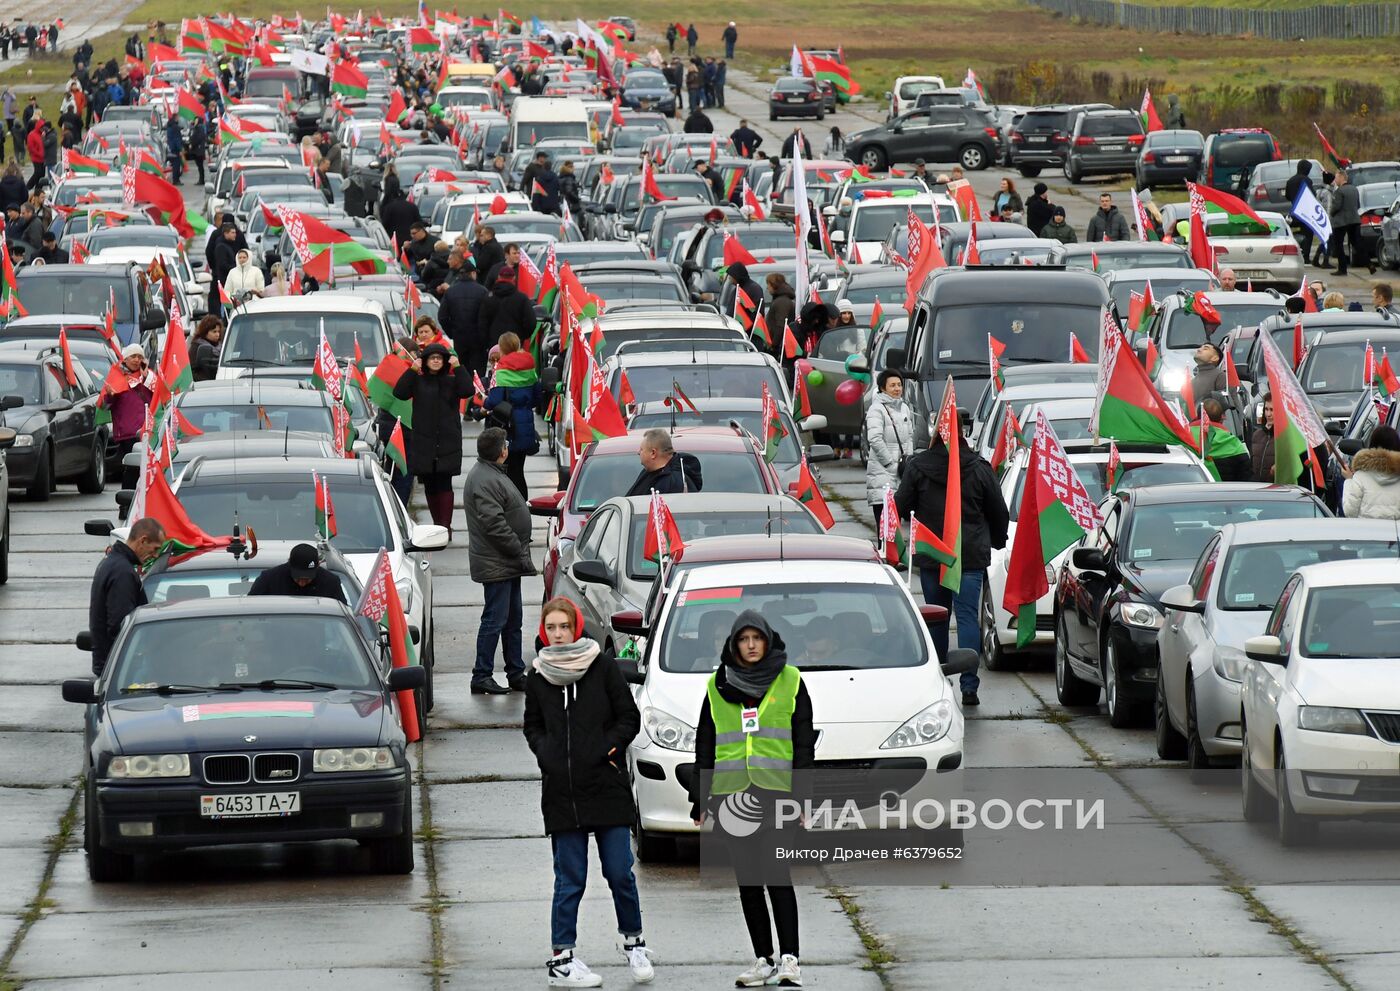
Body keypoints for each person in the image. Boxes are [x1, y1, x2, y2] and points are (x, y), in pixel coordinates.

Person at [523, 597, 654, 988]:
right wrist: (547, 755)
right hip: (563, 794)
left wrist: (607, 748)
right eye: (552, 628)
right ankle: (562, 959)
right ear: (544, 632)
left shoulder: (602, 667)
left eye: (564, 626)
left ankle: (635, 944)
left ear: (576, 627)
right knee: (570, 878)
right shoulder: (537, 676)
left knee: (619, 872)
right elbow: (533, 726)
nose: (559, 634)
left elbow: (628, 717)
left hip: (606, 788)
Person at [689, 612, 814, 990]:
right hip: (732, 797)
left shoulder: (791, 681)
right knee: (747, 881)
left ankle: (790, 959)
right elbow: (705, 746)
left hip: (777, 794)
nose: (751, 645)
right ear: (734, 645)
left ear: (768, 640)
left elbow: (804, 745)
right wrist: (701, 799)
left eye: (757, 637)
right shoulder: (717, 685)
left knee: (777, 874)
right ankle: (763, 959)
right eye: (743, 639)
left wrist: (804, 799)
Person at [895, 408, 1008, 706]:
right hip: (968, 555)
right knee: (968, 617)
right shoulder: (980, 467)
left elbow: (901, 506)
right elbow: (999, 512)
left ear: (935, 429)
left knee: (937, 617)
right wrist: (995, 542)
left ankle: (938, 681)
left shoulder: (919, 466)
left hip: (934, 555)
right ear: (962, 431)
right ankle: (969, 686)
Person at [462, 427, 534, 695]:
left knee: (513, 620)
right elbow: (493, 523)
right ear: (500, 450)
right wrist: (516, 547)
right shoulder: (484, 478)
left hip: (506, 562)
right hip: (498, 562)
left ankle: (515, 671)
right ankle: (481, 674)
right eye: (506, 444)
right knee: (495, 620)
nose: (508, 448)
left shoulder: (492, 473)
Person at [392, 342, 473, 531]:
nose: (436, 361)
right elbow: (400, 392)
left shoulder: (452, 381)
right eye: (432, 358)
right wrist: (412, 370)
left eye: (439, 358)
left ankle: (445, 526)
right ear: (425, 361)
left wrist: (459, 367)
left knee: (445, 483)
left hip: (447, 439)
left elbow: (468, 390)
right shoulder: (418, 381)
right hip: (424, 440)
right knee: (429, 483)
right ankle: (437, 524)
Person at [88, 517, 165, 676]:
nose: (156, 555)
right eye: (155, 549)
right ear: (143, 541)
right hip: (120, 668)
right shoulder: (123, 573)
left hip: (110, 664)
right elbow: (121, 625)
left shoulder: (110, 563)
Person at [485, 332, 543, 498]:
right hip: (525, 422)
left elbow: (494, 400)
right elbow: (537, 397)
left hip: (507, 426)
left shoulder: (501, 371)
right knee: (519, 470)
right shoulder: (529, 368)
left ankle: (511, 507)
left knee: (506, 471)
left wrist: (484, 403)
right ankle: (523, 505)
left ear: (502, 349)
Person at [866, 369, 913, 528]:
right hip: (882, 474)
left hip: (900, 473)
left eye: (899, 385)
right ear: (882, 388)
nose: (897, 388)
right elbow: (874, 439)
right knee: (884, 528)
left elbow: (910, 436)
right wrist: (890, 464)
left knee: (896, 528)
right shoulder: (876, 409)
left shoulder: (905, 408)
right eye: (892, 385)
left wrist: (908, 462)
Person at [109, 345, 156, 489]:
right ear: (126, 358)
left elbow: (159, 395)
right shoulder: (116, 375)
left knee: (147, 469)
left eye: (140, 357)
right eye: (133, 356)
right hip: (128, 432)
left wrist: (146, 376)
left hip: (147, 430)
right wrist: (110, 396)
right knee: (132, 469)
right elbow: (106, 405)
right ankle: (127, 505)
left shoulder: (149, 376)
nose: (137, 360)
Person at [438, 259, 489, 376]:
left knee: (461, 372)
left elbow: (442, 317)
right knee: (478, 374)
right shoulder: (482, 291)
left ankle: (464, 394)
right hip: (479, 341)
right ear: (473, 274)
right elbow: (488, 316)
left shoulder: (450, 291)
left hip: (459, 339)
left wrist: (452, 332)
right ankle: (477, 393)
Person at [248, 543, 347, 601]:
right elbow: (251, 608)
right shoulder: (269, 580)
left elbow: (343, 611)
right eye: (298, 578)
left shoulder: (330, 582)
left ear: (317, 568)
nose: (302, 583)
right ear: (289, 566)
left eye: (307, 579)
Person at [1342, 425, 1400, 520]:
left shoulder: (1360, 476)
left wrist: (1349, 481)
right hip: (1395, 533)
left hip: (1367, 532)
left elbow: (1350, 512)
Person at [624, 429, 701, 496]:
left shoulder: (674, 482)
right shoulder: (648, 472)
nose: (638, 452)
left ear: (653, 453)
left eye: (641, 449)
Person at [1329, 170, 1372, 276]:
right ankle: (1369, 264)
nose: (1335, 180)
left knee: (1338, 245)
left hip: (1341, 222)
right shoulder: (1354, 189)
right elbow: (1357, 205)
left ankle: (1342, 269)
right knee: (1357, 243)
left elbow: (1336, 207)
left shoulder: (1339, 191)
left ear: (1342, 178)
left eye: (1336, 178)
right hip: (1354, 220)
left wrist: (1331, 213)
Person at [1200, 398, 1253, 481]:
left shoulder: (1188, 441)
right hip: (1229, 492)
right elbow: (1247, 481)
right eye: (1222, 413)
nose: (1225, 417)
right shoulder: (1235, 445)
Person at [479, 266, 536, 341]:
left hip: (494, 344)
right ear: (514, 278)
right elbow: (530, 322)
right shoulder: (521, 298)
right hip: (514, 343)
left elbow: (482, 323)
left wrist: (486, 341)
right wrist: (521, 337)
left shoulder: (489, 298)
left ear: (499, 277)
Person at [1284, 160, 1316, 262]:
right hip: (1305, 212)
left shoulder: (1290, 181)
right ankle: (1305, 256)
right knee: (1309, 233)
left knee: (1289, 231)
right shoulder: (1307, 180)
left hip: (1294, 213)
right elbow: (1312, 195)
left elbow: (1287, 196)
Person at [763, 273, 796, 359]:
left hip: (779, 347)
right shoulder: (780, 299)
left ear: (774, 285)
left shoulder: (782, 302)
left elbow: (780, 325)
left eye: (769, 285)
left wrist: (773, 345)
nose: (767, 288)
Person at [1249, 392, 1276, 482]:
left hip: (1278, 490)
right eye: (1266, 409)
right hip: (1258, 490)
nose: (1268, 414)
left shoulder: (1286, 437)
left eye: (1272, 410)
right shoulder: (1257, 435)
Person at [188, 315, 223, 382]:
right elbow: (192, 372)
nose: (217, 335)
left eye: (218, 331)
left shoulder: (221, 345)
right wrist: (206, 381)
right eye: (214, 331)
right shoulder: (197, 346)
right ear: (205, 332)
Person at [1311, 172, 1335, 267]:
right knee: (1329, 241)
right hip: (1327, 221)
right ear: (1330, 182)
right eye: (1333, 180)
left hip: (1320, 219)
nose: (1334, 182)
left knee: (1324, 240)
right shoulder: (1328, 193)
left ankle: (1316, 259)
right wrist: (1329, 223)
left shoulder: (1319, 191)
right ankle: (1325, 261)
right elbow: (1328, 208)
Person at [187, 113, 208, 185]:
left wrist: (192, 144)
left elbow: (197, 138)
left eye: (196, 120)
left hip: (198, 150)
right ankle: (201, 179)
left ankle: (201, 180)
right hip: (197, 150)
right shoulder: (196, 128)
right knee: (199, 166)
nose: (195, 121)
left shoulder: (199, 128)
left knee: (200, 166)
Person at [165, 114, 183, 184]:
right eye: (178, 117)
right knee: (177, 164)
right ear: (176, 118)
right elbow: (177, 139)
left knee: (174, 164)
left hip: (171, 147)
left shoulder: (169, 126)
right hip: (176, 148)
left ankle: (175, 179)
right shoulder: (175, 127)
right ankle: (176, 180)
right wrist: (180, 149)